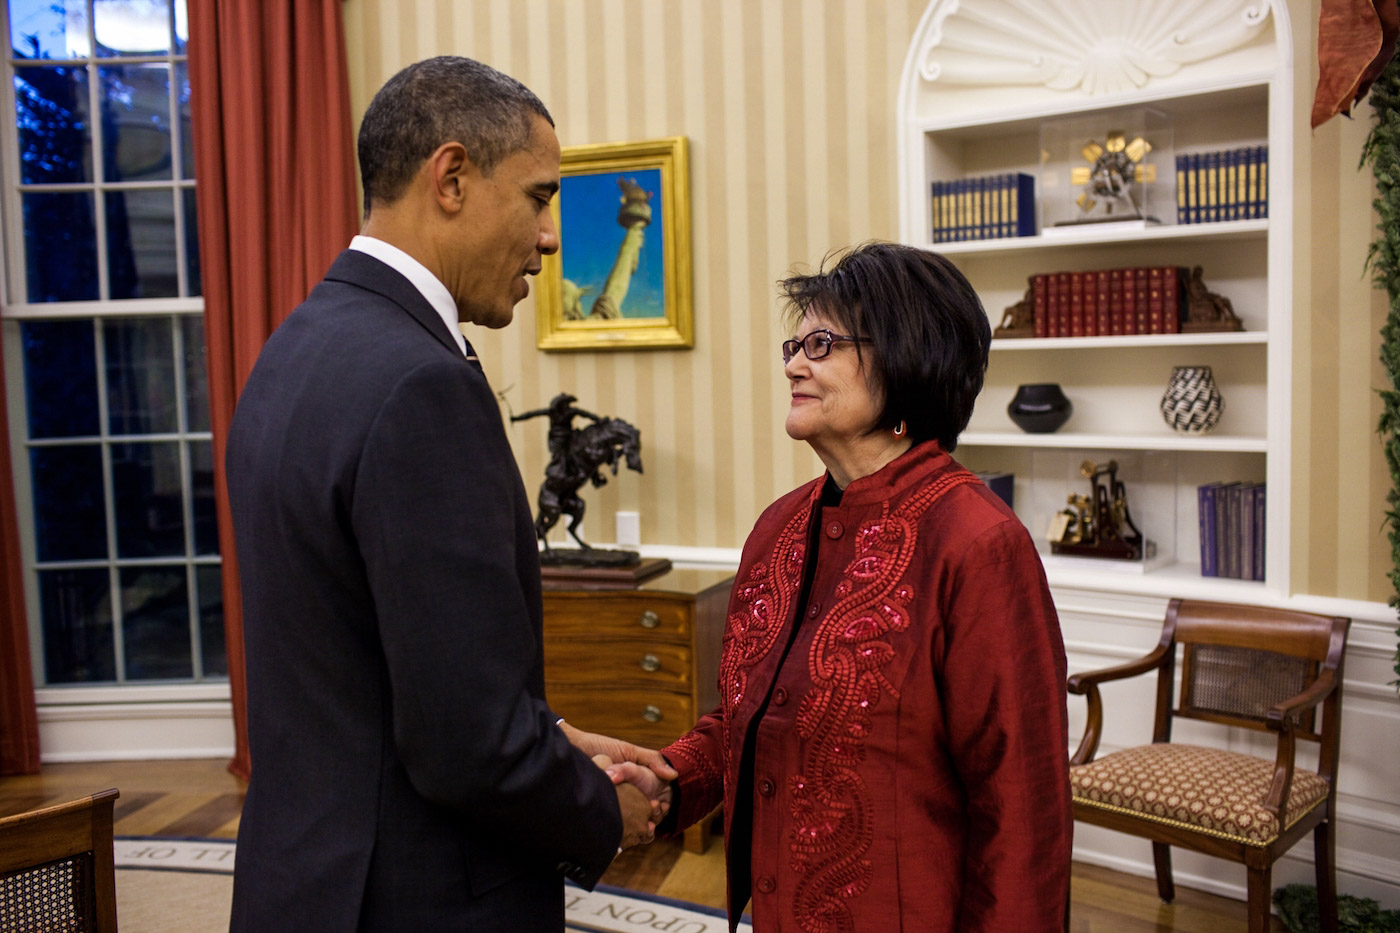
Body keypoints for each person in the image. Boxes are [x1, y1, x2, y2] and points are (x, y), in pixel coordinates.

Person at [224, 56, 672, 933]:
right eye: (540, 198)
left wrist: (549, 736)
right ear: (454, 177)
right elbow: (464, 747)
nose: (550, 237)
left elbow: (377, 666)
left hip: (303, 876)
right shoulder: (422, 385)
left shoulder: (291, 348)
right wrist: (598, 812)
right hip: (409, 895)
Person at [614, 241, 1074, 931]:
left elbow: (1022, 809)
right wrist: (665, 781)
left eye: (822, 343)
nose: (795, 364)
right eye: (793, 345)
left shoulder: (979, 545)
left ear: (904, 354)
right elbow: (751, 720)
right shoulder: (778, 528)